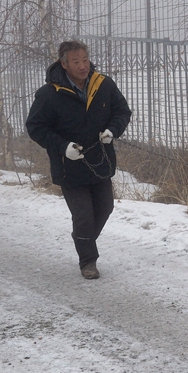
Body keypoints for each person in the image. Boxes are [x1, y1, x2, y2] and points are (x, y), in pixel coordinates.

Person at [26, 40, 132, 280]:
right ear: (64, 64)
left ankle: (82, 239)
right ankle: (88, 262)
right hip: (69, 167)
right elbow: (35, 127)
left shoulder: (103, 85)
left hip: (100, 162)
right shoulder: (49, 95)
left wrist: (112, 130)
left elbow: (122, 111)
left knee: (105, 208)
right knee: (83, 215)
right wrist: (63, 147)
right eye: (76, 62)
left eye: (85, 60)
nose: (83, 66)